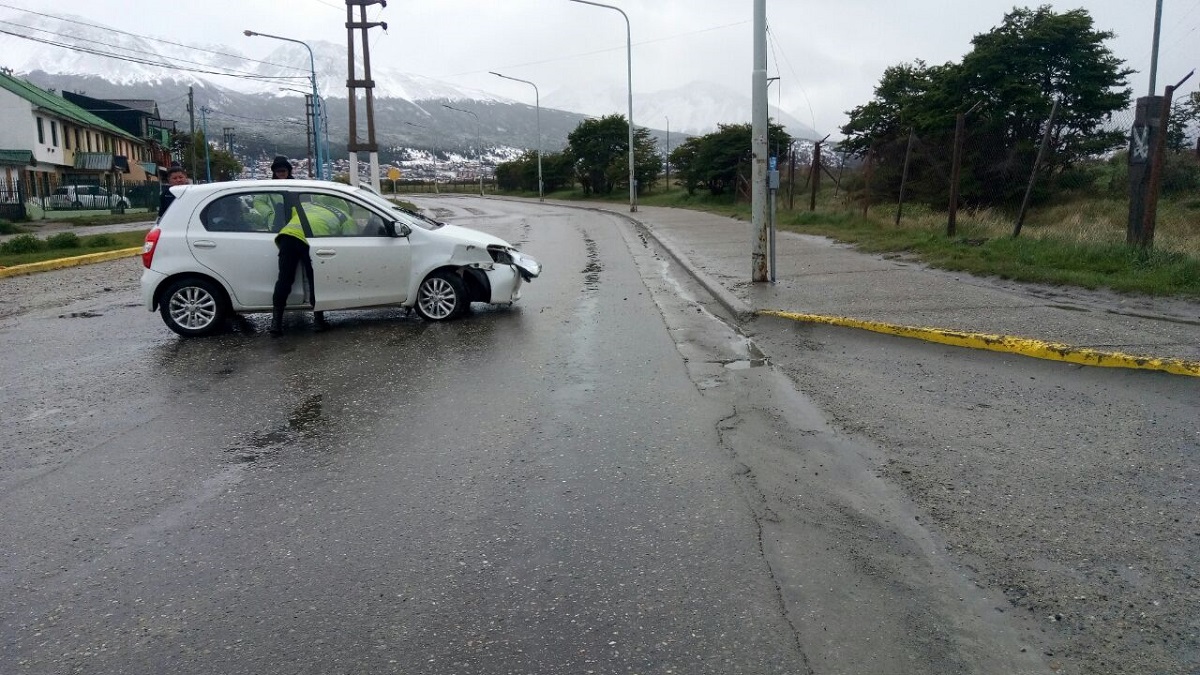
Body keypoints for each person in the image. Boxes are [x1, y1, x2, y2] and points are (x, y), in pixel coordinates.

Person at [269, 156, 330, 336]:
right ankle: (317, 320)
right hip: (301, 234)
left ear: (289, 170)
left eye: (283, 170)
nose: (281, 173)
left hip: (289, 235)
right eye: (278, 171)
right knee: (309, 278)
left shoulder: (291, 187)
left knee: (291, 279)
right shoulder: (290, 187)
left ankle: (278, 323)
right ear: (274, 172)